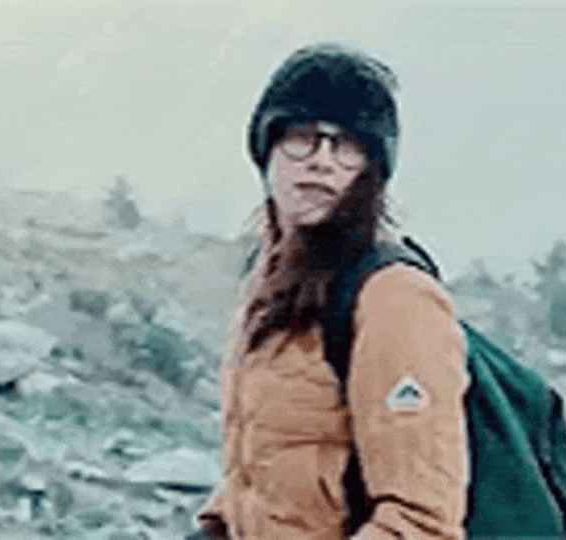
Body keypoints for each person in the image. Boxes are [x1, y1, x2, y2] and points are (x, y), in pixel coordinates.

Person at [193, 42, 471, 540]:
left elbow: (421, 521)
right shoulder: (267, 284)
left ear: (372, 169)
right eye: (302, 136)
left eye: (346, 145)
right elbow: (267, 462)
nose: (321, 161)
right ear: (267, 149)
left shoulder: (393, 297)